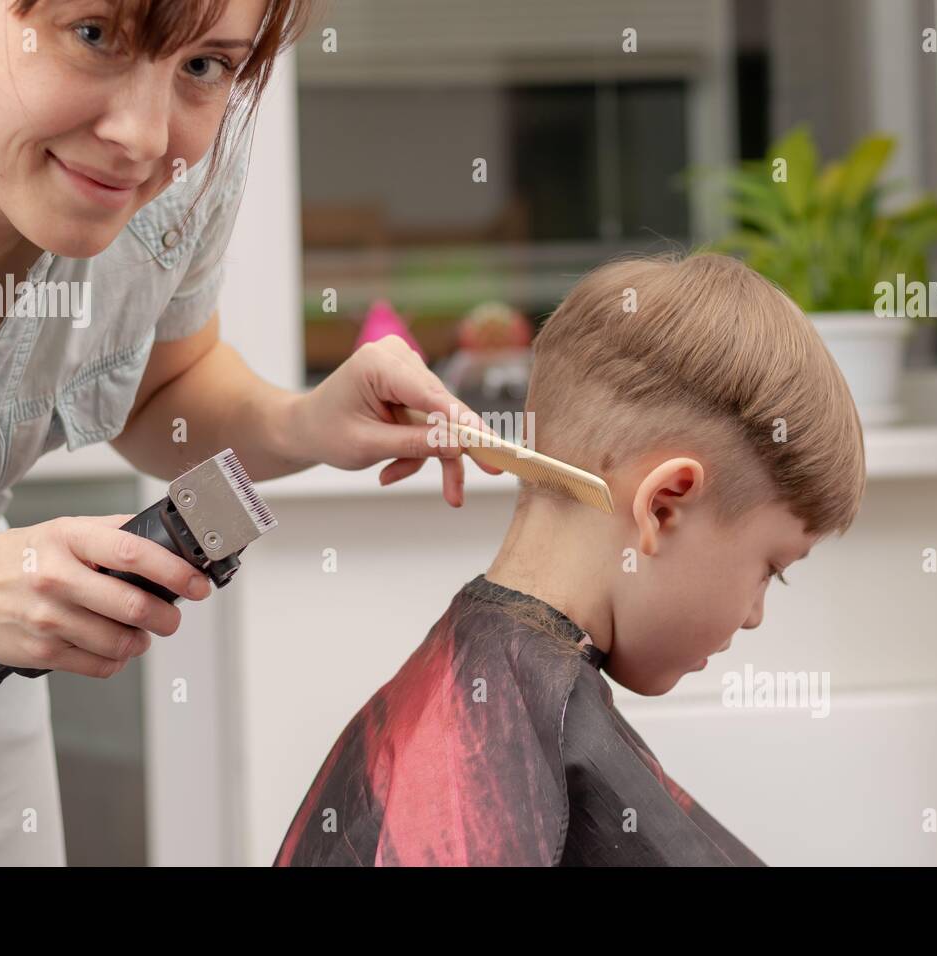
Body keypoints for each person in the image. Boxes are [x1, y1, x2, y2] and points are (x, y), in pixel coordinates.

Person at [0, 0, 498, 866]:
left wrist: (303, 425)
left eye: (206, 65)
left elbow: (164, 390)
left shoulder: (181, 165)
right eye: (95, 35)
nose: (144, 138)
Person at [274, 252, 867, 866]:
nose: (754, 616)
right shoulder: (477, 745)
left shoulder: (486, 696)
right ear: (664, 506)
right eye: (770, 567)